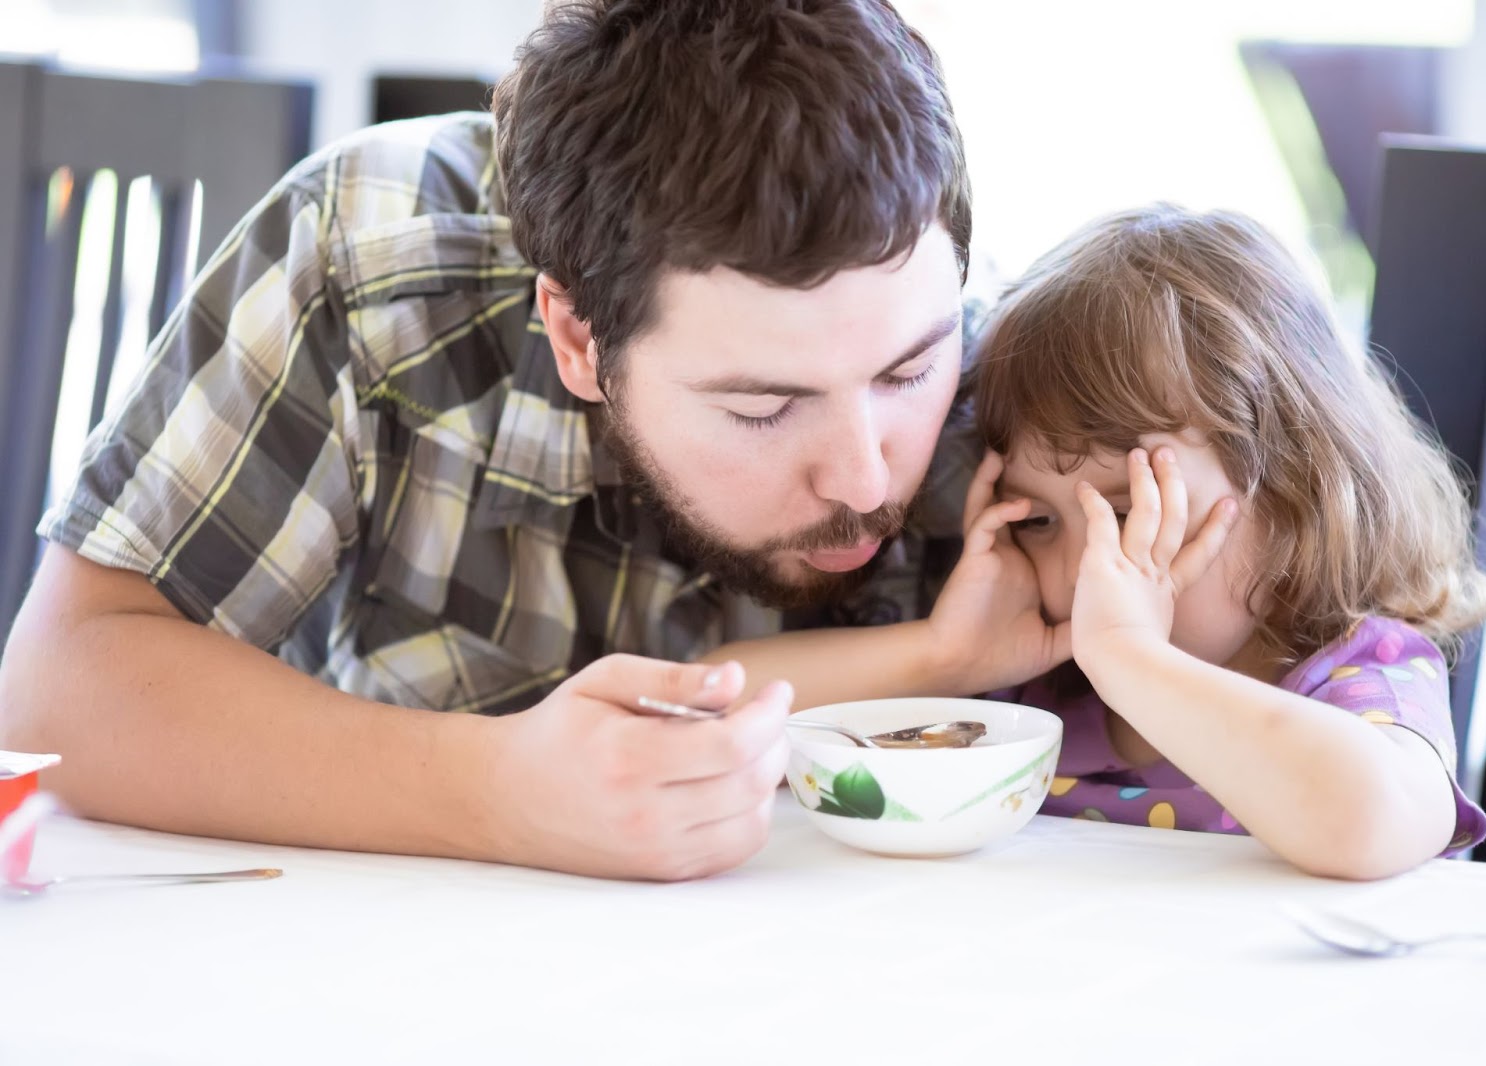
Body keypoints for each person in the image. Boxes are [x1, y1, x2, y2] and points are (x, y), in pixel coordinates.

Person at [0, 0, 980, 881]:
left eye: (907, 371)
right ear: (575, 337)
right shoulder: (372, 260)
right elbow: (57, 691)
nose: (863, 478)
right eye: (763, 407)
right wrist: (497, 787)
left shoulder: (1010, 370)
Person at [718, 205, 1486, 880]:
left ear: (1297, 485)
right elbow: (717, 711)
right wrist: (944, 655)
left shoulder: (1360, 676)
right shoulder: (1040, 698)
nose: (1088, 571)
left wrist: (1135, 660)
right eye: (1041, 522)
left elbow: (1370, 824)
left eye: (1128, 512)